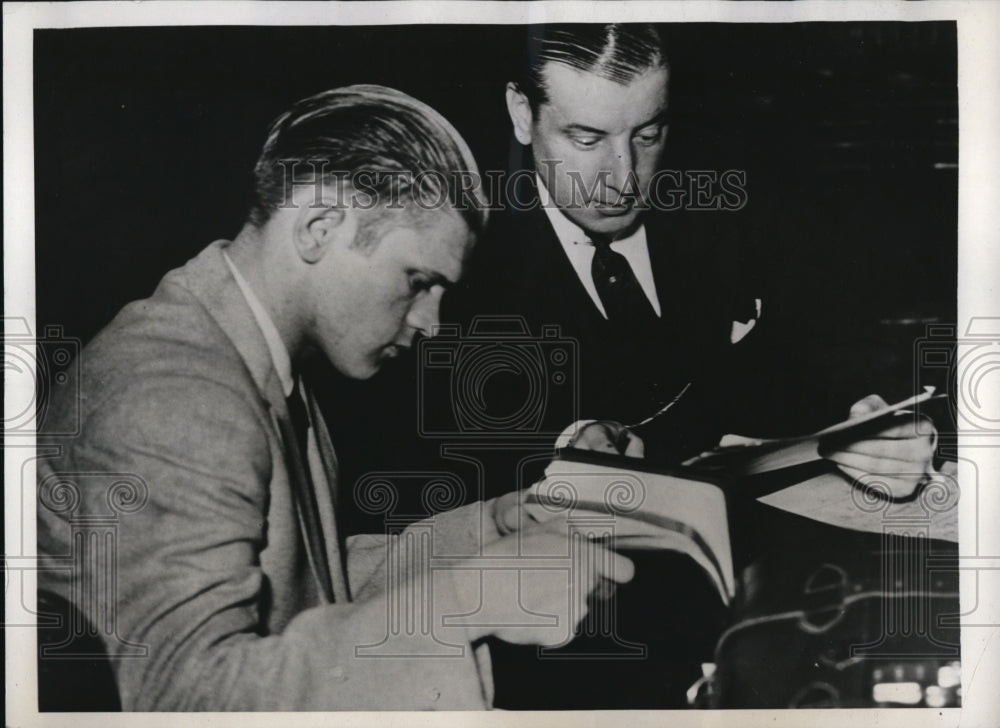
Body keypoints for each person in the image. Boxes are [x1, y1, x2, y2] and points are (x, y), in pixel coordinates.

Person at [35, 84, 635, 711]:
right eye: (419, 282)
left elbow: (311, 588)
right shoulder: (175, 394)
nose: (432, 322)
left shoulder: (248, 351)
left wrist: (497, 528)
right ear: (320, 227)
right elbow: (186, 699)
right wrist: (462, 600)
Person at [441, 23, 941, 708]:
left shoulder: (735, 205)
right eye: (586, 139)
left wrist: (872, 428)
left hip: (781, 639)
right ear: (522, 115)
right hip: (588, 677)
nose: (623, 178)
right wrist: (555, 454)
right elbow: (433, 478)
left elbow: (821, 362)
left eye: (647, 135)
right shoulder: (457, 267)